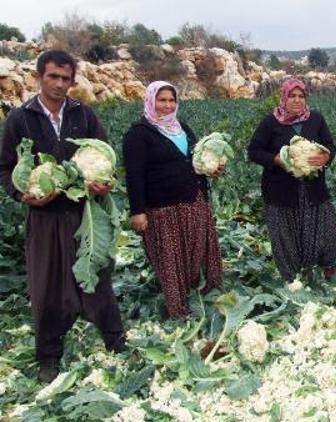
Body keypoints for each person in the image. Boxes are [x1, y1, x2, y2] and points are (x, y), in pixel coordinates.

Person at [0, 50, 125, 383]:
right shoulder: (20, 118)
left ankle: (116, 340)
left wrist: (104, 183)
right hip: (44, 216)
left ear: (73, 81)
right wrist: (20, 194)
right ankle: (48, 356)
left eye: (65, 78)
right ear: (39, 76)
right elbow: (5, 167)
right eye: (52, 76)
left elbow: (103, 154)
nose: (59, 84)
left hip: (84, 213)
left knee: (97, 277)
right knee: (47, 285)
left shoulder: (83, 114)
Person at [122, 81, 223, 318]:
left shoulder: (183, 128)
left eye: (171, 100)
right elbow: (134, 176)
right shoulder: (138, 134)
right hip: (162, 207)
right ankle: (178, 311)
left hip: (193, 201)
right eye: (162, 100)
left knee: (198, 251)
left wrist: (213, 169)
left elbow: (197, 159)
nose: (167, 105)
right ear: (150, 101)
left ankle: (204, 298)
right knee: (171, 259)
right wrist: (138, 211)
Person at [247, 79, 336, 281]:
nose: (297, 100)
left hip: (314, 189)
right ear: (284, 97)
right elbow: (253, 151)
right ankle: (292, 279)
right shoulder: (270, 122)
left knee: (327, 234)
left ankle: (327, 273)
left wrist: (325, 157)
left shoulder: (316, 119)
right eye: (292, 96)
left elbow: (330, 146)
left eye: (301, 96)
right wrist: (275, 160)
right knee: (286, 237)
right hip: (281, 192)